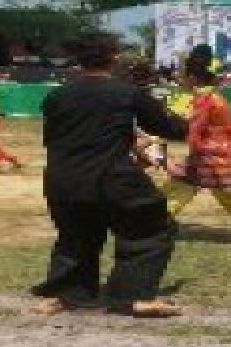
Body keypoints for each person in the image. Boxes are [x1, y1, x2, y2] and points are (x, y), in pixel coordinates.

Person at [32, 34, 188, 317]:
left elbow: (54, 138)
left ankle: (69, 295)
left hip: (62, 179)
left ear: (79, 60)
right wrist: (192, 121)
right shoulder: (126, 92)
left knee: (76, 237)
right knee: (150, 228)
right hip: (111, 178)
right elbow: (170, 128)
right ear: (113, 58)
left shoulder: (56, 95)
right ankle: (132, 296)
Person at [161, 46, 231, 247]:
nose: (179, 79)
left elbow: (193, 128)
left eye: (182, 75)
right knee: (181, 186)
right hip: (212, 152)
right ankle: (152, 225)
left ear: (193, 78)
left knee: (228, 196)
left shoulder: (205, 98)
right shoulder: (208, 95)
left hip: (214, 155)